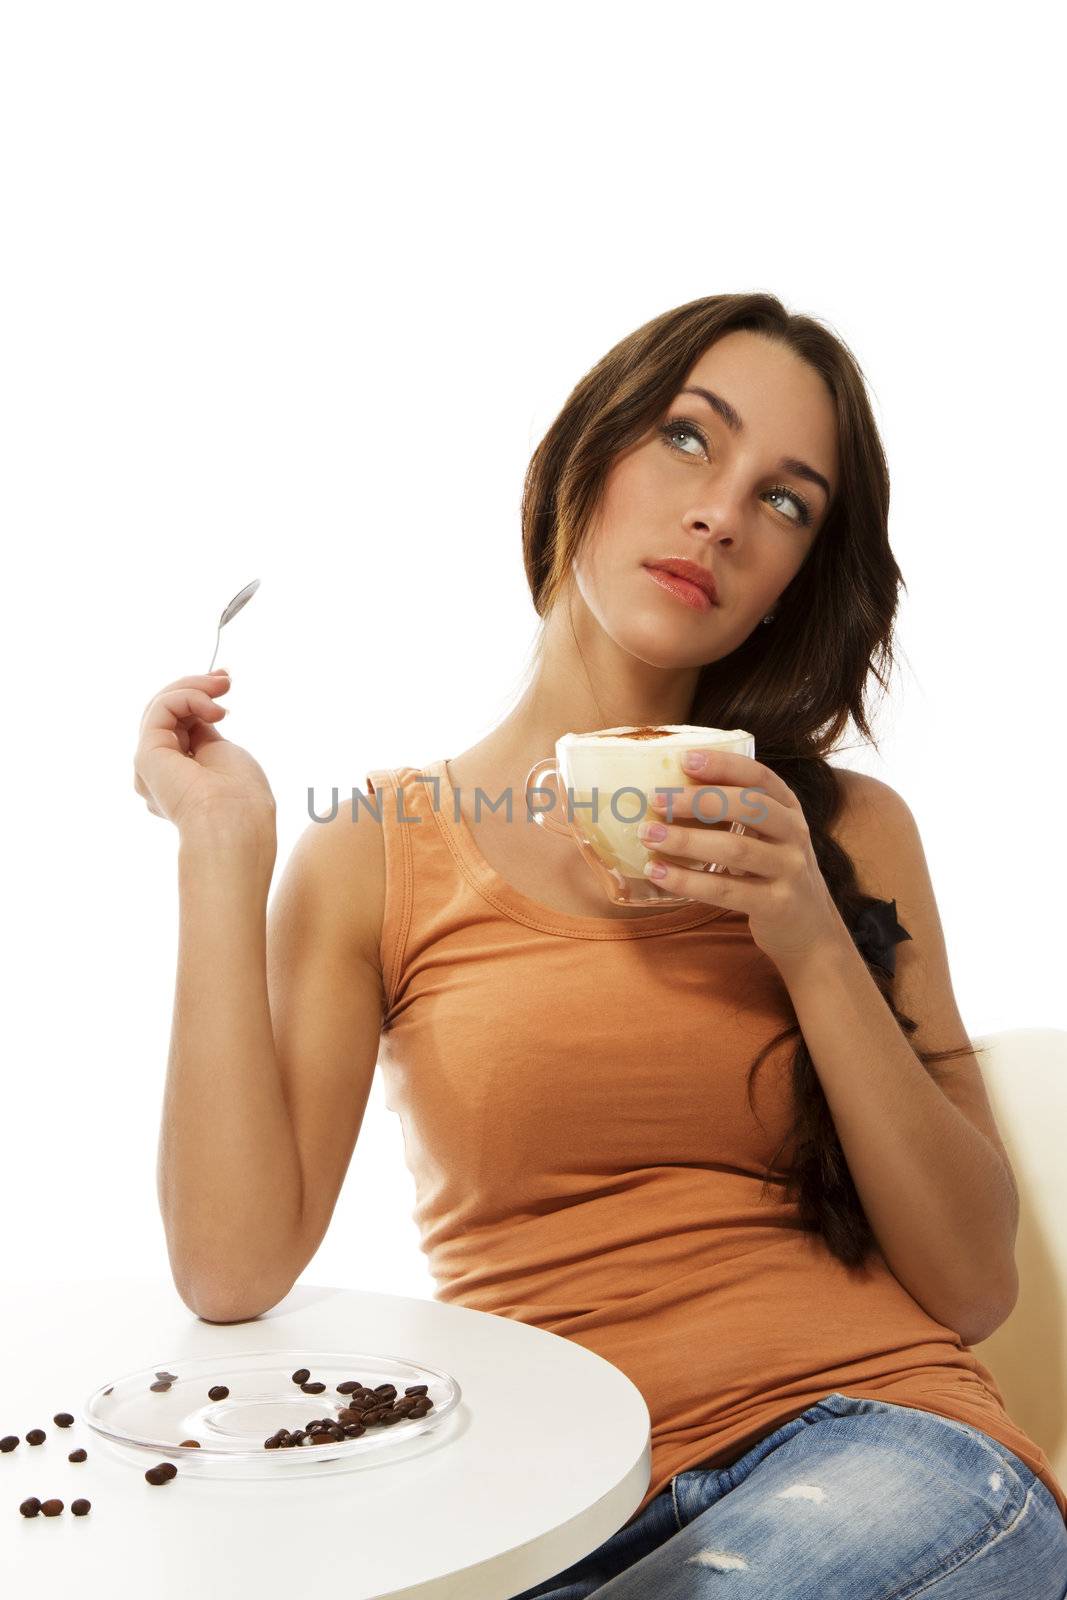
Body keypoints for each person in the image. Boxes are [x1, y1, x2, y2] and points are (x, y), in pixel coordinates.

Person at [134, 292, 1067, 1596]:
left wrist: (805, 934)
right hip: (557, 1515)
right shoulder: (384, 846)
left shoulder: (843, 834)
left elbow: (973, 1285)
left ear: (789, 588)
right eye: (691, 439)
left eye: (787, 502)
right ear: (590, 451)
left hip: (889, 1449)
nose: (724, 513)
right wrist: (222, 849)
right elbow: (232, 1269)